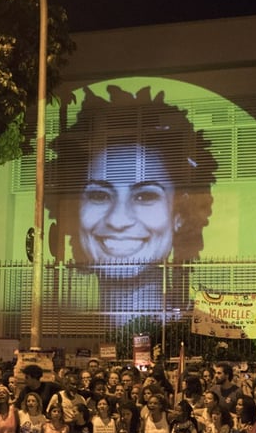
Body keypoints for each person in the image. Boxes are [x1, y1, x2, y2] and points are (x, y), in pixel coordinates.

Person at [46, 85, 216, 315]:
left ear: (179, 214)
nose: (118, 220)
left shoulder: (187, 333)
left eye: (145, 195)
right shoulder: (64, 325)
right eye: (99, 195)